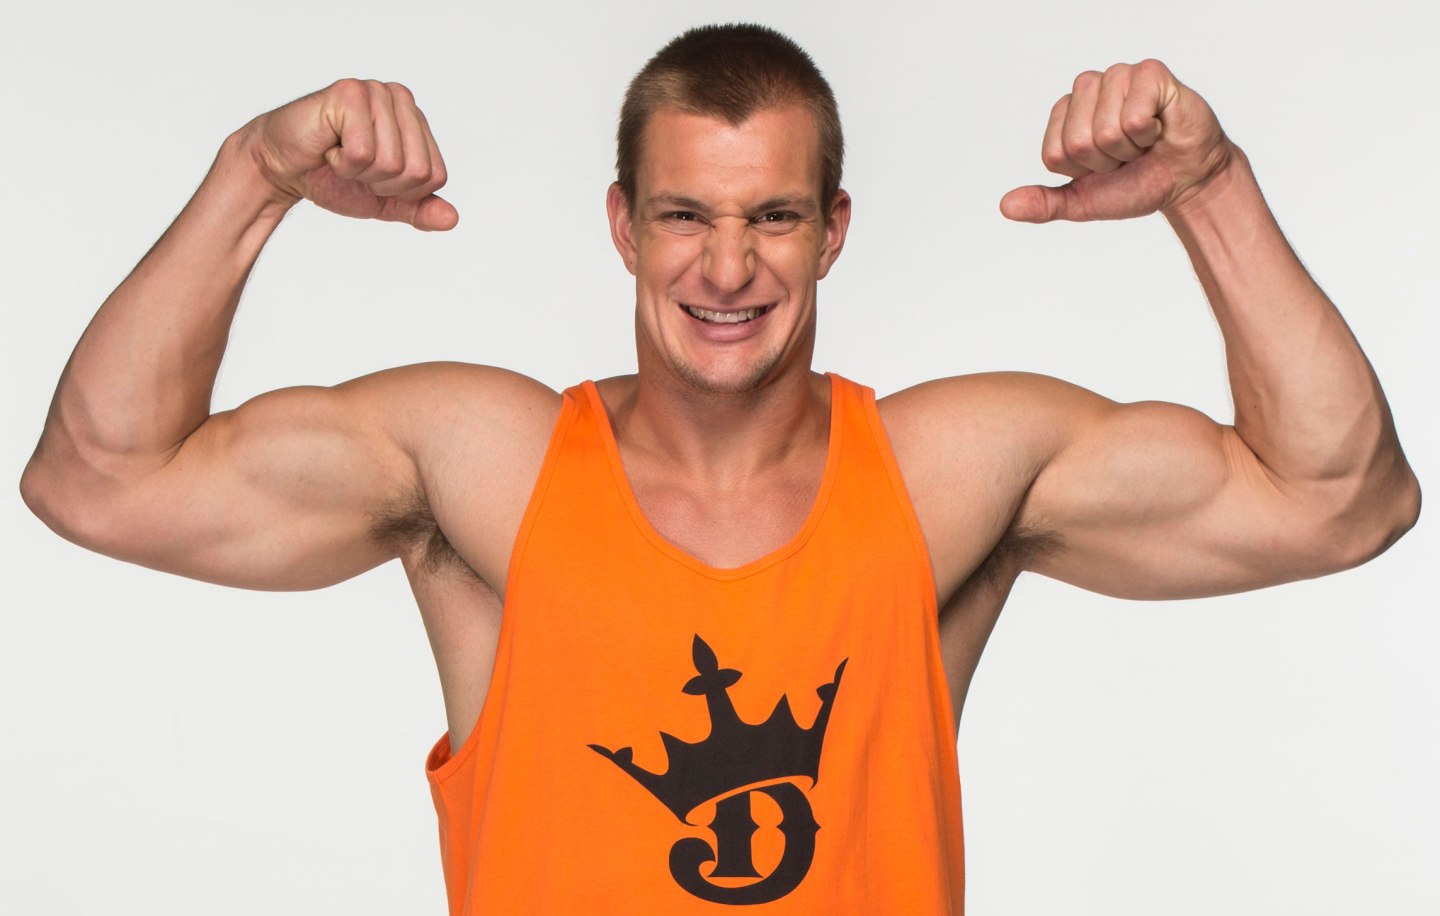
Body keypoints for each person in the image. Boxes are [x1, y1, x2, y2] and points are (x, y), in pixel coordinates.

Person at [19, 21, 1419, 915]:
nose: (729, 266)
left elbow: (1340, 502)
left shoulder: (944, 475)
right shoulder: (491, 468)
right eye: (686, 213)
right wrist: (254, 174)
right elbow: (98, 478)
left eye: (774, 217)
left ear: (833, 230)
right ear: (624, 226)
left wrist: (1210, 191)